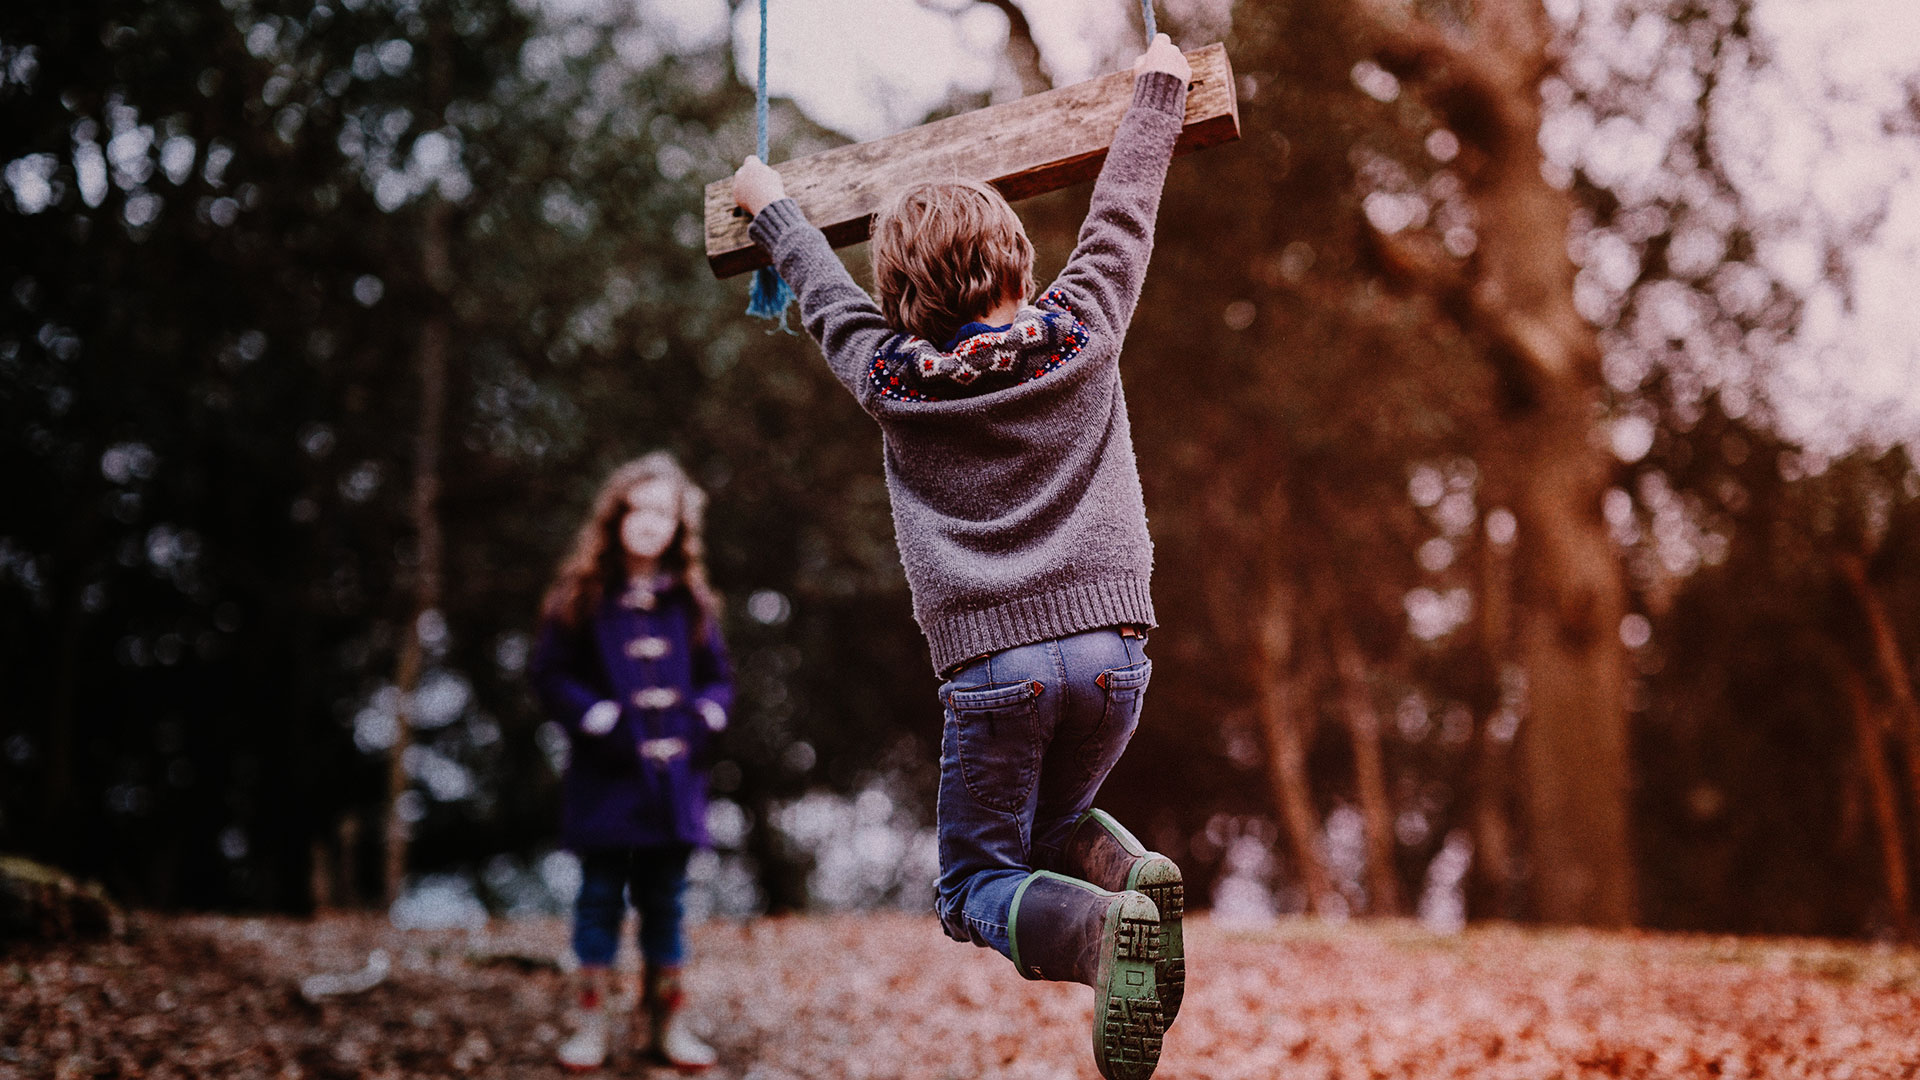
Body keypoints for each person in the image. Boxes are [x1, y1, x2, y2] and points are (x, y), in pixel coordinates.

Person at [731, 34, 1193, 1080]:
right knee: (1053, 824)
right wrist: (1159, 86)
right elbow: (1124, 209)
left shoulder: (892, 378)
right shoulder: (1085, 328)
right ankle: (1132, 879)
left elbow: (823, 296)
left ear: (903, 292)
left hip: (996, 668)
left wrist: (773, 208)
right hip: (1115, 656)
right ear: (1018, 257)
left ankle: (1103, 931)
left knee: (972, 885)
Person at [530, 452, 732, 1072]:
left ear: (679, 526)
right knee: (598, 900)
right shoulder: (581, 596)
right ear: (614, 517)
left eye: (662, 513)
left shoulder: (691, 602)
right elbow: (549, 673)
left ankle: (667, 1027)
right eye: (637, 509)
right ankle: (590, 1027)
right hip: (606, 783)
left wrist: (706, 716)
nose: (648, 523)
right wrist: (597, 717)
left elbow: (718, 678)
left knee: (666, 903)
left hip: (673, 788)